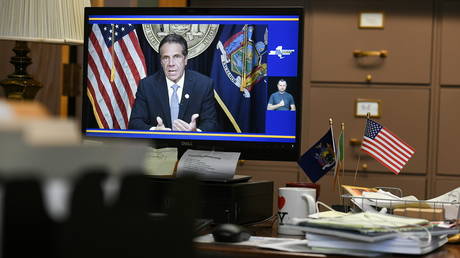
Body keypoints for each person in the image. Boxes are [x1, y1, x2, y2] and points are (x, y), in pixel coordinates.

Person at [128, 34, 218, 131]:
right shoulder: (147, 86)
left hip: (191, 145)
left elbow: (211, 123)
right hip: (159, 145)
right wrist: (154, 130)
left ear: (185, 59)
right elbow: (134, 123)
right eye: (166, 58)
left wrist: (196, 132)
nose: (171, 63)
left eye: (176, 57)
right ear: (161, 62)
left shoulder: (203, 84)